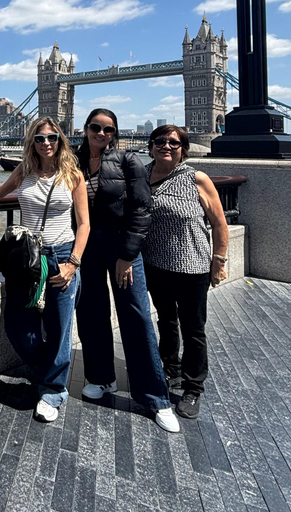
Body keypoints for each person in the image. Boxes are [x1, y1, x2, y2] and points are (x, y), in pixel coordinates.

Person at [74, 108, 179, 433]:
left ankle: (155, 397)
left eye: (108, 129)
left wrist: (127, 254)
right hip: (87, 250)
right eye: (95, 127)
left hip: (123, 250)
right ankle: (101, 378)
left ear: (115, 133)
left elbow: (141, 208)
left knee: (136, 315)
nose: (101, 134)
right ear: (86, 129)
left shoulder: (127, 160)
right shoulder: (73, 162)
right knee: (91, 313)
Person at [0, 117, 89, 423]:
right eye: (39, 138)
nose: (46, 143)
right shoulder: (23, 171)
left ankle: (52, 390)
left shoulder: (73, 175)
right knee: (17, 326)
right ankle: (48, 367)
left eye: (52, 137)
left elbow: (84, 224)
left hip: (61, 255)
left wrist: (73, 263)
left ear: (60, 140)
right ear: (31, 142)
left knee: (60, 327)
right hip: (26, 259)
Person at [143, 125, 228, 419]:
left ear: (183, 149)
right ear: (151, 146)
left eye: (174, 143)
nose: (167, 146)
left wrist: (219, 260)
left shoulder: (196, 178)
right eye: (160, 141)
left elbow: (219, 223)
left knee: (193, 329)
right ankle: (171, 369)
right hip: (154, 265)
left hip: (192, 267)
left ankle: (193, 388)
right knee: (165, 321)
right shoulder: (141, 176)